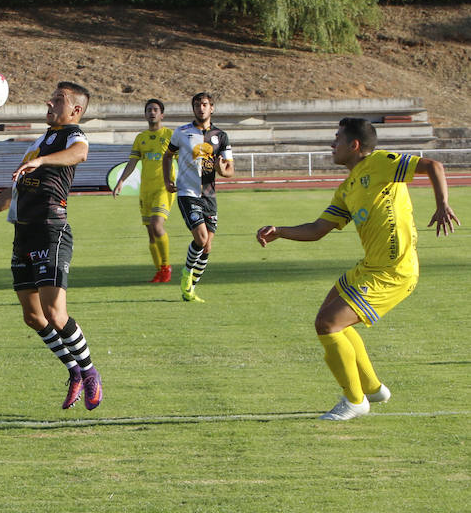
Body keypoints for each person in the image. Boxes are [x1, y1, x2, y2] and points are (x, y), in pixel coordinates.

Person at [256, 117, 460, 421]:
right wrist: (281, 231)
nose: (331, 144)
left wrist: (442, 203)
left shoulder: (381, 162)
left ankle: (355, 400)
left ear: (354, 145)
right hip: (370, 268)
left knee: (328, 323)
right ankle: (373, 389)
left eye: (336, 138)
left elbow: (433, 166)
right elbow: (318, 228)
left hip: (395, 272)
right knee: (329, 320)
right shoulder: (347, 187)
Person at [0, 81, 104, 411]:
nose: (49, 102)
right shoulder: (39, 142)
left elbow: (82, 152)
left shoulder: (70, 137)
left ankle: (90, 373)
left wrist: (43, 162)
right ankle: (73, 370)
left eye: (59, 100)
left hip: (51, 230)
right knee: (33, 317)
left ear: (75, 110)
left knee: (55, 313)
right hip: (23, 234)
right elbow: (13, 191)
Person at [162, 92, 234, 302]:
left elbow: (230, 169)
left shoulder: (221, 136)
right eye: (197, 105)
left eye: (204, 104)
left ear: (212, 108)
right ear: (193, 108)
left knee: (207, 246)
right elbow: (168, 156)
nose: (200, 108)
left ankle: (190, 288)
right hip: (187, 192)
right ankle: (186, 273)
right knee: (201, 239)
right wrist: (168, 179)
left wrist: (222, 169)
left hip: (209, 195)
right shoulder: (182, 132)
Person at [112, 98, 177, 283]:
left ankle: (166, 267)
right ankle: (159, 271)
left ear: (162, 114)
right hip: (145, 190)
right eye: (149, 109)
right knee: (151, 233)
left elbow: (180, 159)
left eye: (156, 109)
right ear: (145, 114)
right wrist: (121, 181)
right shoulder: (141, 138)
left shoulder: (170, 136)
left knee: (157, 226)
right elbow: (132, 162)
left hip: (164, 188)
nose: (152, 112)